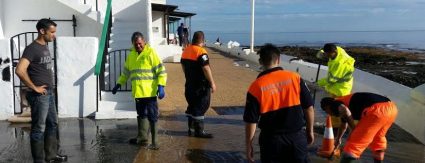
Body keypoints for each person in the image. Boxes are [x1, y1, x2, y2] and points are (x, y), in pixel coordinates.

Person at [244, 43, 315, 163]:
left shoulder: (256, 86)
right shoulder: (295, 78)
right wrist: (309, 130)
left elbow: (251, 121)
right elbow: (308, 108)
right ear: (279, 59)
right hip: (296, 138)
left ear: (261, 62)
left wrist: (249, 145)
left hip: (271, 141)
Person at [15, 18, 67, 163]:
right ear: (42, 31)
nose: (54, 35)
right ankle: (39, 160)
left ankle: (51, 155)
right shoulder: (32, 48)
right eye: (52, 32)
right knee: (39, 128)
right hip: (39, 96)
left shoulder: (44, 46)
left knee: (52, 123)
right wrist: (34, 87)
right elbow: (19, 70)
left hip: (48, 93)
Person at [112, 32, 167, 150]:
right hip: (138, 93)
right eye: (136, 44)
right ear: (132, 44)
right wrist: (118, 84)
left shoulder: (151, 53)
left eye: (140, 44)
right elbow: (126, 73)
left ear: (144, 42)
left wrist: (161, 86)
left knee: (152, 116)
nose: (138, 46)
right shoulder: (131, 55)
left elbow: (161, 71)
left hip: (150, 93)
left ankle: (155, 142)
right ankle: (142, 138)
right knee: (141, 115)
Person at [320, 92, 398, 163]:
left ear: (327, 107)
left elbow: (345, 111)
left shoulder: (335, 103)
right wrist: (338, 139)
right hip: (391, 108)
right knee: (377, 140)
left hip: (377, 110)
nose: (329, 114)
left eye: (326, 111)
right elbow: (343, 125)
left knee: (353, 146)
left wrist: (354, 130)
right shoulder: (344, 103)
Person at [181, 31, 216, 138]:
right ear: (203, 40)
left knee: (192, 106)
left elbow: (182, 65)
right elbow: (206, 68)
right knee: (201, 106)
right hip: (201, 86)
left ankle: (191, 129)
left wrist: (188, 76)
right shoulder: (201, 52)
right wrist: (212, 83)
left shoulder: (186, 50)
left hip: (189, 85)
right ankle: (199, 131)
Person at [317, 43, 355, 127]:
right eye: (325, 54)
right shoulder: (338, 50)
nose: (327, 56)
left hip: (341, 89)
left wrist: (318, 83)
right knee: (334, 106)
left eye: (328, 54)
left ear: (333, 52)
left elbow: (331, 80)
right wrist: (321, 52)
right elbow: (326, 49)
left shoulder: (339, 64)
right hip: (339, 86)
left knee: (336, 108)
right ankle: (335, 124)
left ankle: (336, 126)